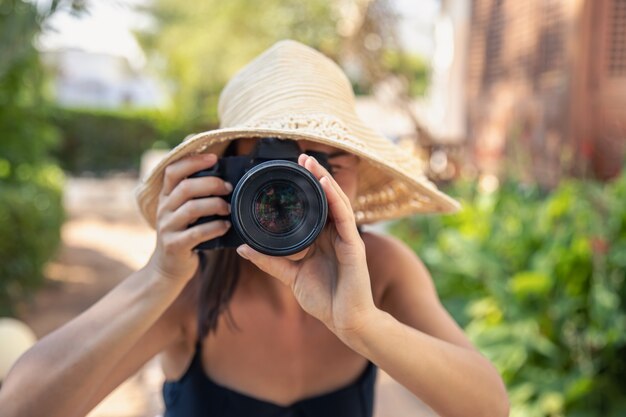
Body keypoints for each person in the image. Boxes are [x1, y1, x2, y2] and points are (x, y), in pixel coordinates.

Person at [0, 40, 509, 417]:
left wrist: (363, 324)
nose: (302, 185)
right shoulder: (188, 288)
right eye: (273, 172)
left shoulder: (384, 271)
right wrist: (158, 277)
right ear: (225, 178)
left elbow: (489, 407)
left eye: (329, 160)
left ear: (357, 174)